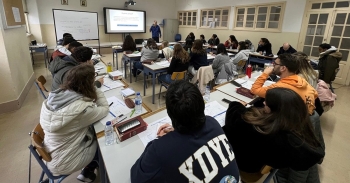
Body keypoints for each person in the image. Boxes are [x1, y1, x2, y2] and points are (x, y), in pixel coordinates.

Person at [131, 80, 240, 183]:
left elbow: (136, 177)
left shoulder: (160, 150)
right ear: (202, 106)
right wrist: (176, 131)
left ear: (170, 114)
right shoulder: (212, 122)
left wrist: (158, 140)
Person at [223, 88, 324, 174]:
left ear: (274, 110)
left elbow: (233, 119)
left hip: (247, 164)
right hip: (263, 160)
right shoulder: (296, 126)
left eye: (266, 102)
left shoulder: (262, 131)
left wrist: (236, 104)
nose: (263, 103)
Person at [40, 64, 109, 182]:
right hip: (67, 161)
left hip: (53, 154)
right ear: (88, 83)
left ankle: (89, 170)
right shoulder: (82, 111)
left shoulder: (55, 97)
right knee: (103, 139)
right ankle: (92, 171)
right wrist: (95, 88)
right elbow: (104, 109)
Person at [251, 53, 318, 115]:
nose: (273, 66)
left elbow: (254, 89)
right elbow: (315, 95)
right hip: (306, 116)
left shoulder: (279, 87)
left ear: (283, 68)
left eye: (275, 64)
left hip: (289, 121)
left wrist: (265, 73)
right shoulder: (301, 80)